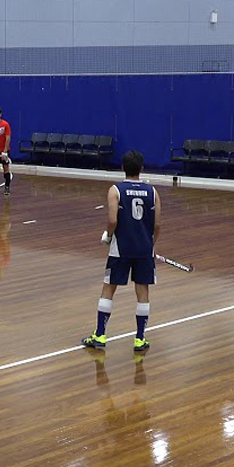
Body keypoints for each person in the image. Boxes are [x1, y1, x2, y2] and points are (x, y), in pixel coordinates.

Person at [82, 150, 161, 352]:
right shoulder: (153, 192)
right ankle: (140, 339)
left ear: (122, 168)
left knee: (109, 289)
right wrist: (151, 245)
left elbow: (112, 220)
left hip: (120, 249)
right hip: (144, 250)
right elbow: (157, 225)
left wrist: (108, 236)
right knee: (142, 291)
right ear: (142, 168)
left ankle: (100, 335)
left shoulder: (115, 190)